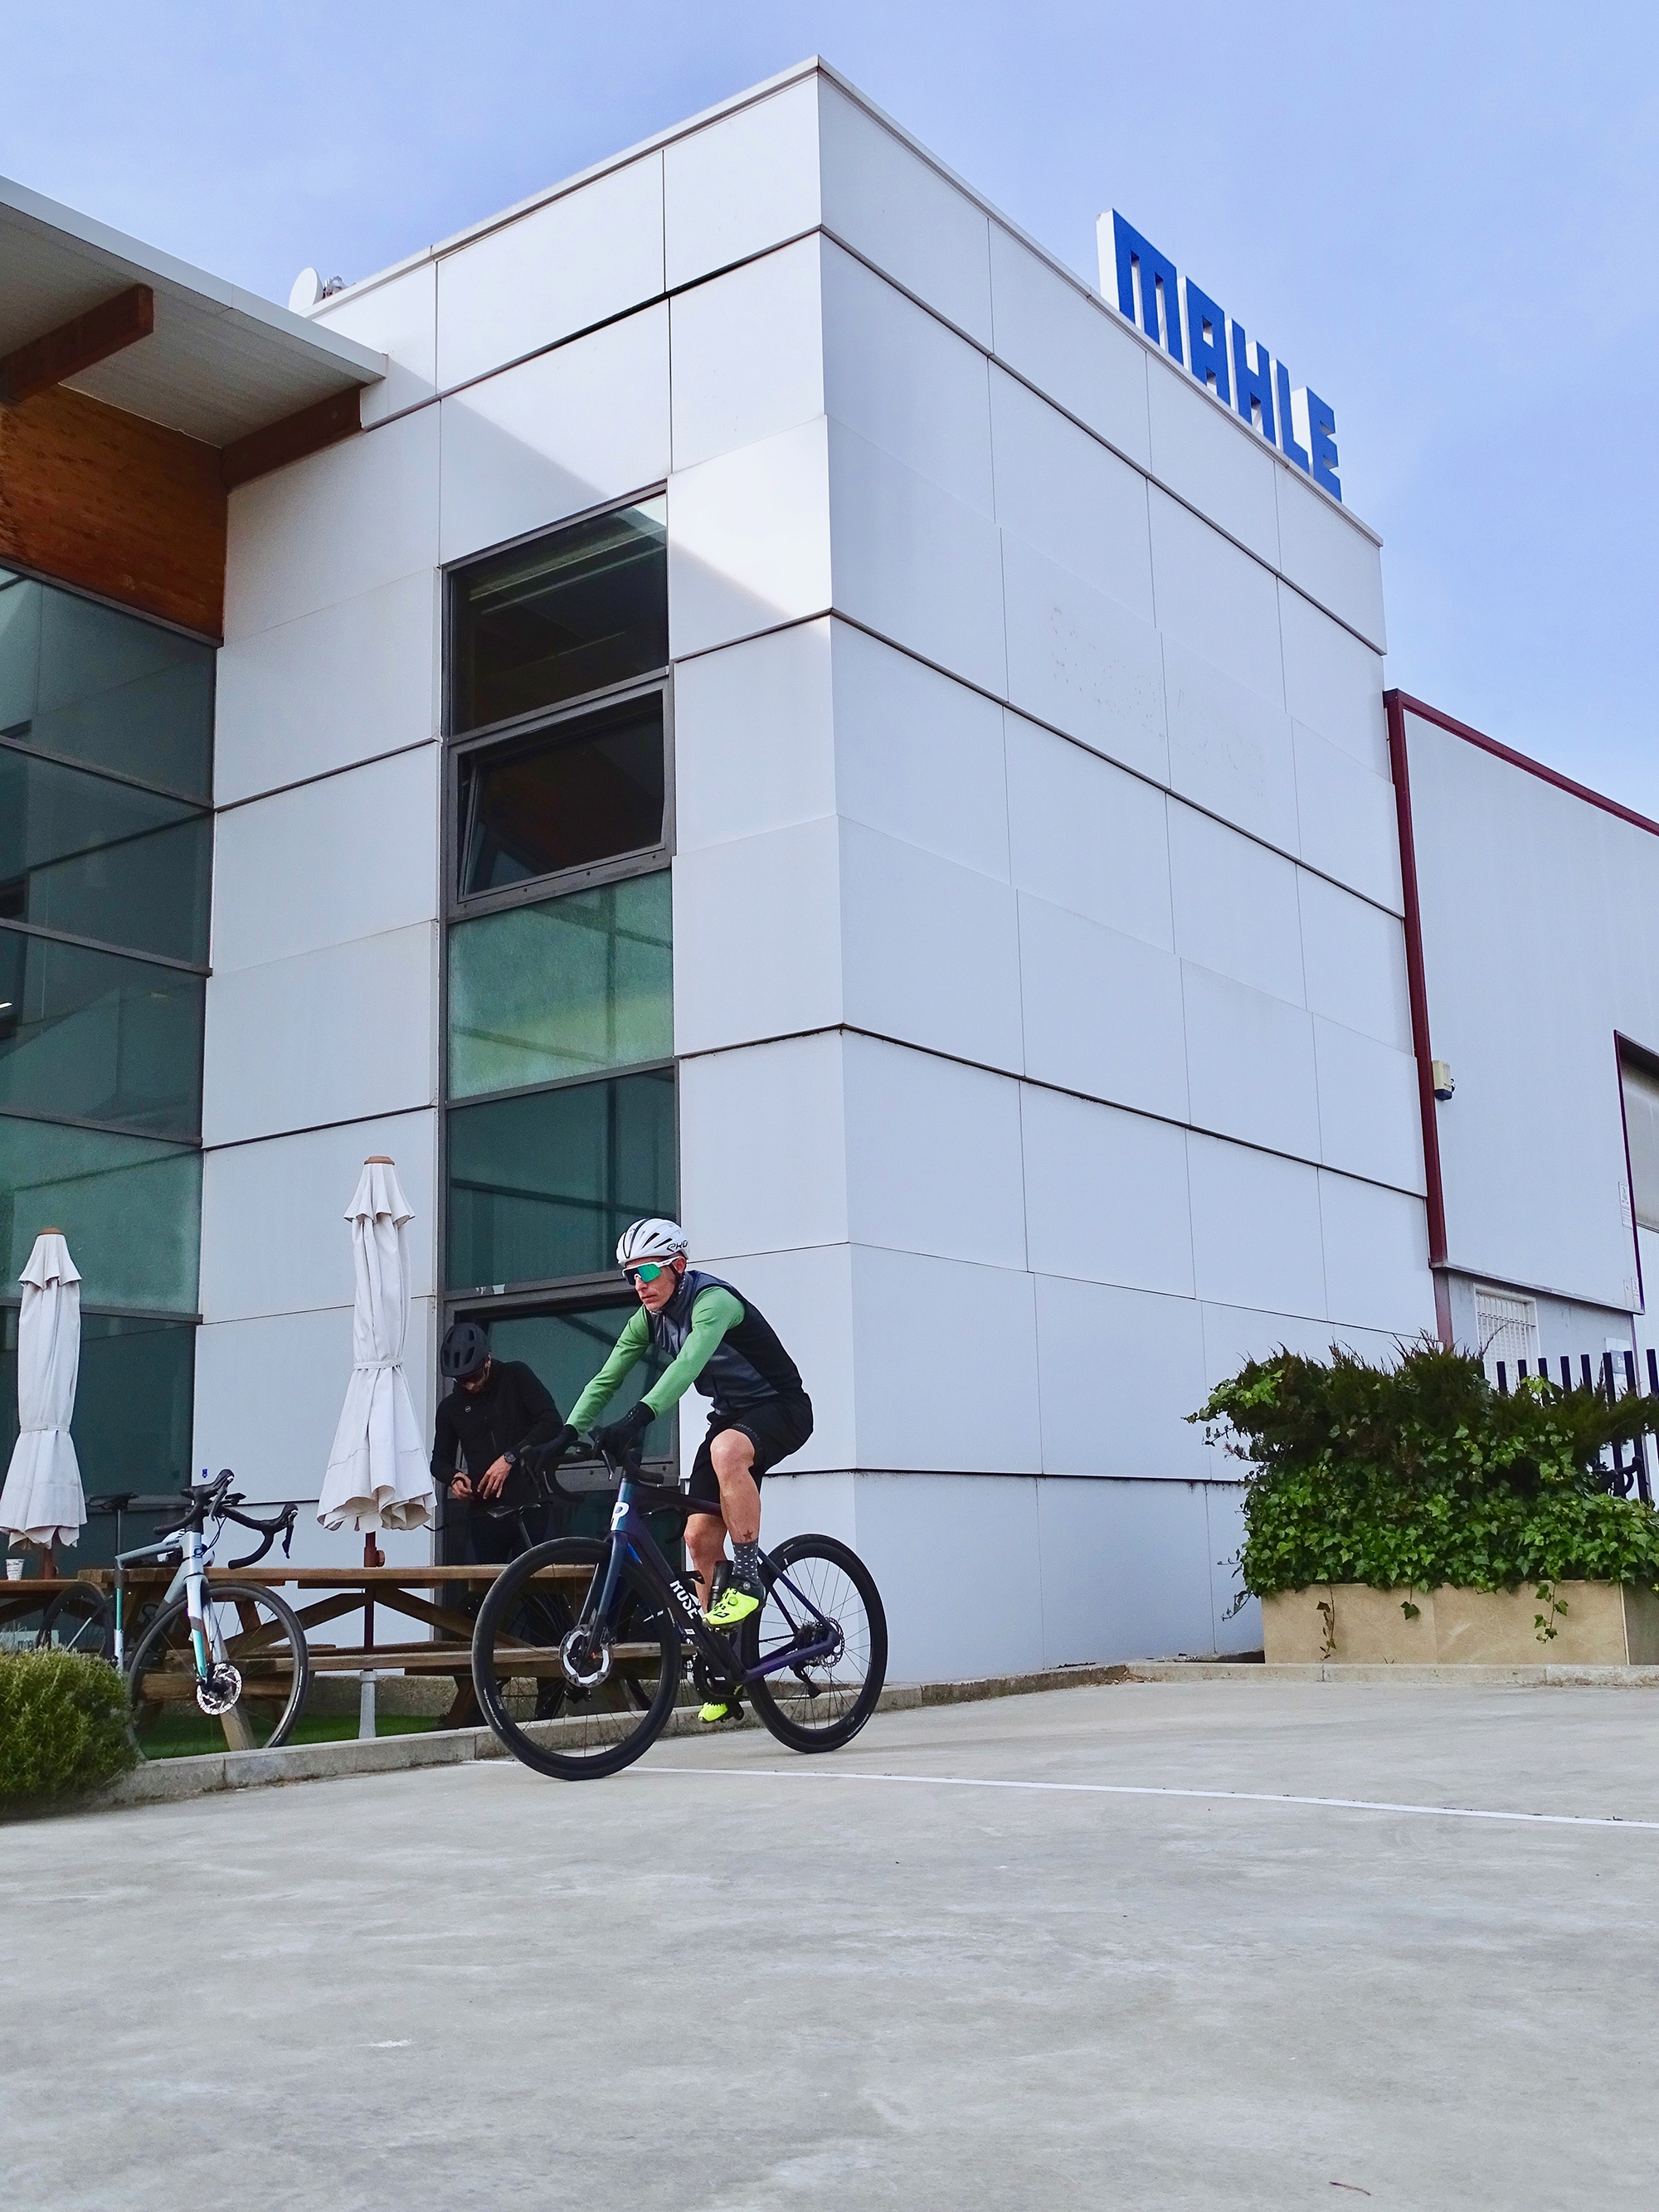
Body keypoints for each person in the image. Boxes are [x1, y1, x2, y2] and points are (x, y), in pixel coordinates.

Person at [559, 1217, 813, 1723]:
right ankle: (723, 1661)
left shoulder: (713, 1302)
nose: (639, 1284)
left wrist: (638, 1418)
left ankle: (747, 1579)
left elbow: (687, 1365)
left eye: (648, 1271)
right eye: (630, 1275)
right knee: (697, 1536)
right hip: (729, 1419)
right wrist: (565, 1434)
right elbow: (608, 1376)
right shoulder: (647, 1318)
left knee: (726, 1453)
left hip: (781, 1408)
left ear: (677, 1265)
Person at [431, 1321, 569, 1565]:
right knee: (482, 1593)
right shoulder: (450, 1408)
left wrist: (510, 1458)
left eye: (473, 1376)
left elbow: (551, 1422)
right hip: (484, 1512)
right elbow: (439, 1461)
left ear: (487, 1360)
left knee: (544, 1586)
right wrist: (454, 1477)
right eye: (462, 1381)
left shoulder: (515, 1376)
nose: (470, 1385)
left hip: (531, 1502)